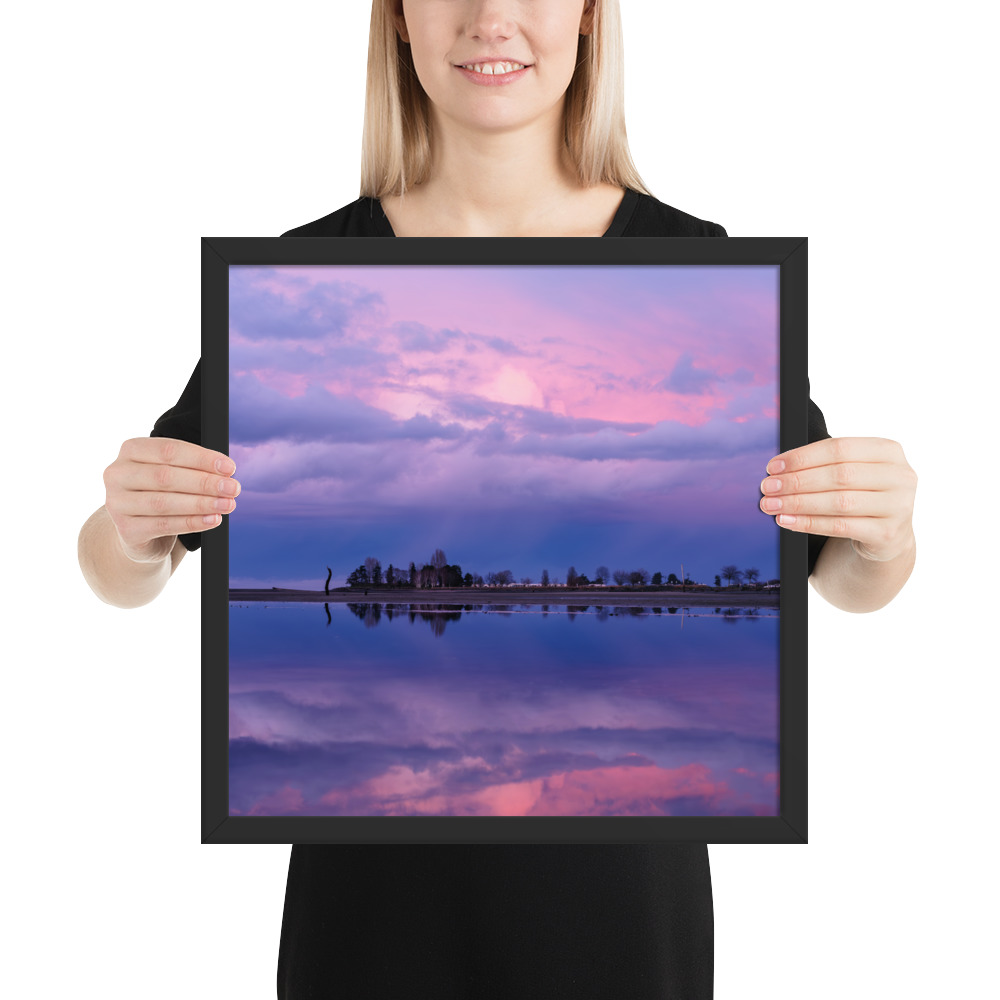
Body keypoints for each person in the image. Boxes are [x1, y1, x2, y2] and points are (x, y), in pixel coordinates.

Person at [77, 2, 917, 997]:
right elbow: (123, 566)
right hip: (367, 913)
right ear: (395, 20)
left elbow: (839, 575)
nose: (491, 19)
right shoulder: (293, 273)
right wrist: (131, 530)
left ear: (591, 19)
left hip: (618, 911)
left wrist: (884, 532)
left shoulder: (701, 268)